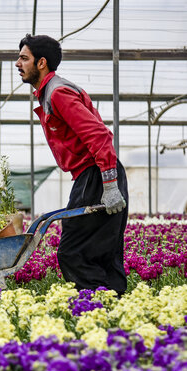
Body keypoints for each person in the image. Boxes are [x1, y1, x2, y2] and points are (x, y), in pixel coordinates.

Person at [16, 34, 128, 296]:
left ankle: (93, 306)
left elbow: (99, 135)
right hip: (89, 175)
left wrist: (109, 184)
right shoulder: (49, 94)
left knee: (74, 252)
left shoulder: (59, 93)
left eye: (24, 58)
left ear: (41, 63)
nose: (17, 63)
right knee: (102, 250)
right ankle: (112, 308)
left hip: (97, 175)